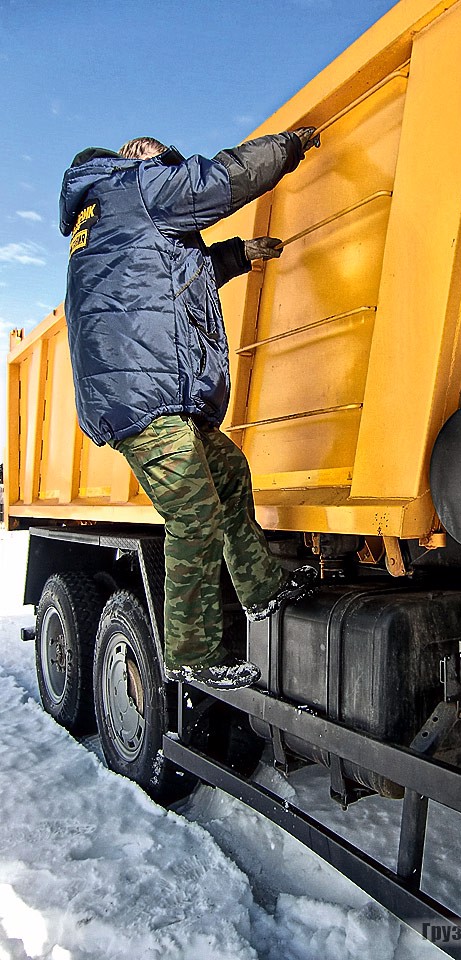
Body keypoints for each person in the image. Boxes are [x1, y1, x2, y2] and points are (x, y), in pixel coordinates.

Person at [59, 130, 320, 689]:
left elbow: (166, 280)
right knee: (194, 516)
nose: (167, 164)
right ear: (134, 156)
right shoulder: (130, 185)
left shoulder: (102, 218)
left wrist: (234, 256)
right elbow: (224, 179)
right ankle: (192, 656)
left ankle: (260, 589)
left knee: (229, 472)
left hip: (154, 394)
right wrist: (291, 145)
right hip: (143, 396)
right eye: (161, 156)